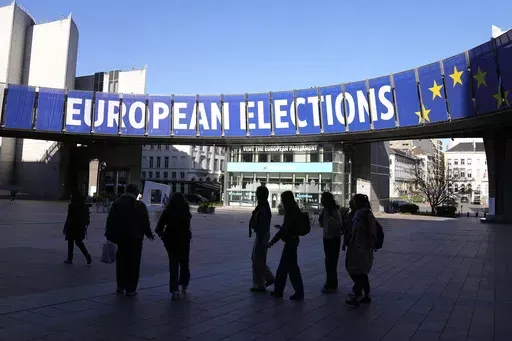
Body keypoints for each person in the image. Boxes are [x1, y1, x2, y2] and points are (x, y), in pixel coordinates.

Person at [105, 184, 155, 297]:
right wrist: (149, 234)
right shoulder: (140, 205)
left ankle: (120, 285)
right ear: (136, 192)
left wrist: (108, 234)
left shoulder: (117, 203)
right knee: (134, 263)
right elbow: (144, 222)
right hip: (135, 239)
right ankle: (131, 288)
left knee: (121, 262)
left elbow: (110, 220)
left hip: (121, 238)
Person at [268, 191, 304, 300]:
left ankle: (296, 292)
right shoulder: (294, 209)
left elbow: (285, 229)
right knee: (285, 268)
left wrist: (272, 241)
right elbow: (287, 227)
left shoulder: (291, 211)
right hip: (292, 240)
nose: (282, 202)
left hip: (291, 242)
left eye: (283, 199)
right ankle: (280, 290)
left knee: (290, 269)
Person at [155, 192, 192, 301]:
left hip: (171, 241)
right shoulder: (186, 212)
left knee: (173, 265)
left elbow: (159, 228)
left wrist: (163, 235)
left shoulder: (167, 212)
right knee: (184, 263)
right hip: (184, 240)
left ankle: (174, 290)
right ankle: (184, 284)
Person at [345, 194, 377, 306]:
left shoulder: (366, 214)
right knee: (358, 271)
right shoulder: (358, 213)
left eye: (354, 201)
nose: (353, 203)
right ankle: (363, 293)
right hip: (356, 246)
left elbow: (372, 232)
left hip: (362, 248)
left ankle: (359, 294)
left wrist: (369, 244)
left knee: (359, 271)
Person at [249, 186, 275, 293]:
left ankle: (260, 285)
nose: (256, 195)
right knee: (256, 258)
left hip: (262, 235)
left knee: (257, 259)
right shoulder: (262, 206)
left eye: (258, 193)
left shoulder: (263, 207)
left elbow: (262, 222)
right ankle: (268, 277)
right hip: (261, 234)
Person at [319, 192, 343, 294]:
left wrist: (329, 218)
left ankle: (332, 284)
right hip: (326, 238)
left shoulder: (334, 210)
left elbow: (339, 224)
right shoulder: (324, 210)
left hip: (334, 238)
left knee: (331, 262)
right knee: (328, 262)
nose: (321, 201)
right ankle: (330, 282)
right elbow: (322, 224)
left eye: (323, 199)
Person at [63, 193, 92, 265]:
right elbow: (87, 217)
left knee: (70, 243)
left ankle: (70, 259)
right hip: (80, 227)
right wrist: (85, 224)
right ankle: (87, 255)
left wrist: (65, 227)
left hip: (72, 226)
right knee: (79, 242)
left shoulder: (72, 206)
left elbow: (69, 217)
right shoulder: (85, 206)